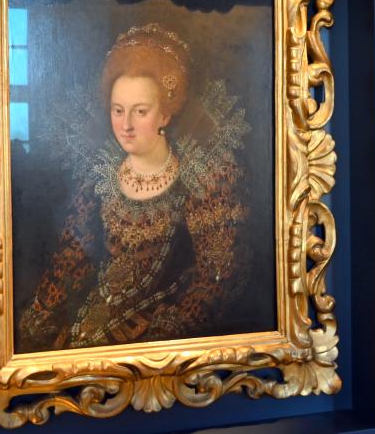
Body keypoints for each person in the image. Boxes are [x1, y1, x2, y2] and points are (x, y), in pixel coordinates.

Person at [17, 23, 251, 352]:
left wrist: (166, 330)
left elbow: (216, 275)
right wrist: (41, 313)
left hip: (162, 339)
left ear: (166, 114)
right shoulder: (100, 177)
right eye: (118, 111)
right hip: (89, 325)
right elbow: (73, 257)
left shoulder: (201, 181)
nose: (125, 125)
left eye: (140, 112)